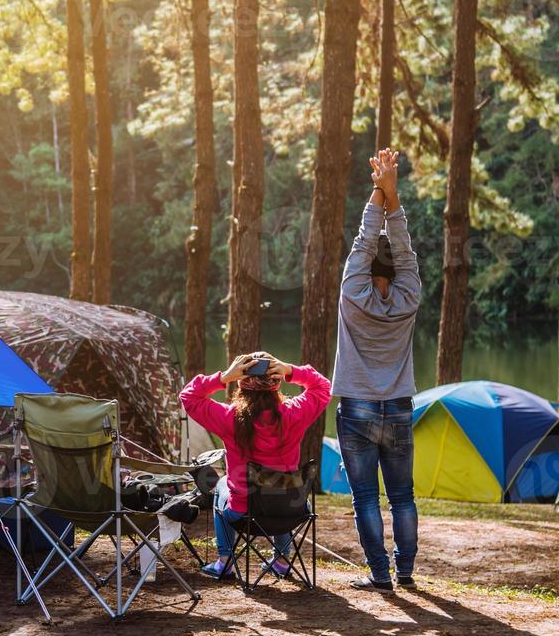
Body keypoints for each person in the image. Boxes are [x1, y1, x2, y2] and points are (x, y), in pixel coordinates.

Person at [334, 147, 422, 592]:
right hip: (400, 408)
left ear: (364, 267)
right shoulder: (409, 298)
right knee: (402, 495)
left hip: (358, 409)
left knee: (366, 496)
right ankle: (405, 570)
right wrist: (395, 198)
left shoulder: (352, 293)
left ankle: (381, 575)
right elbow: (401, 251)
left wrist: (378, 191)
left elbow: (363, 240)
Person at [180, 352, 332, 580]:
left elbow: (189, 396)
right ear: (276, 382)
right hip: (292, 510)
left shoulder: (230, 417)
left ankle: (225, 561)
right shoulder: (294, 413)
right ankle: (281, 561)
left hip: (243, 514)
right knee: (280, 490)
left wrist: (224, 377)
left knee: (222, 485)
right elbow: (323, 387)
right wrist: (290, 370)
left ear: (242, 384)